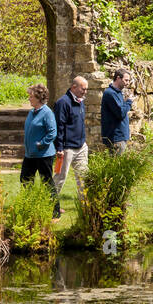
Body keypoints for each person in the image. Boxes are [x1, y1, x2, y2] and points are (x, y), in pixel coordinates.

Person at [52, 76, 89, 219]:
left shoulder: (80, 101)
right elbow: (59, 126)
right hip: (67, 148)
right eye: (83, 89)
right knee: (60, 178)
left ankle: (85, 206)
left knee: (83, 177)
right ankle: (51, 205)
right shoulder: (63, 102)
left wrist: (83, 142)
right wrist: (59, 148)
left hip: (81, 146)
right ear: (74, 87)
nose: (85, 92)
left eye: (86, 89)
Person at [22, 83, 58, 191]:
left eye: (31, 96)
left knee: (47, 183)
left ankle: (54, 208)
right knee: (25, 180)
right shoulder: (31, 112)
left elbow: (52, 132)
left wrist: (41, 144)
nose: (29, 98)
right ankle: (30, 206)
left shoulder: (47, 113)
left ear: (39, 98)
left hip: (43, 155)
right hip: (30, 154)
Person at [101, 68, 133, 153]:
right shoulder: (110, 93)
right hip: (116, 137)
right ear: (118, 78)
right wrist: (129, 101)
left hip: (120, 136)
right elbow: (120, 113)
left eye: (129, 80)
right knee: (116, 164)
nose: (128, 83)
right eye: (126, 80)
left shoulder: (118, 92)